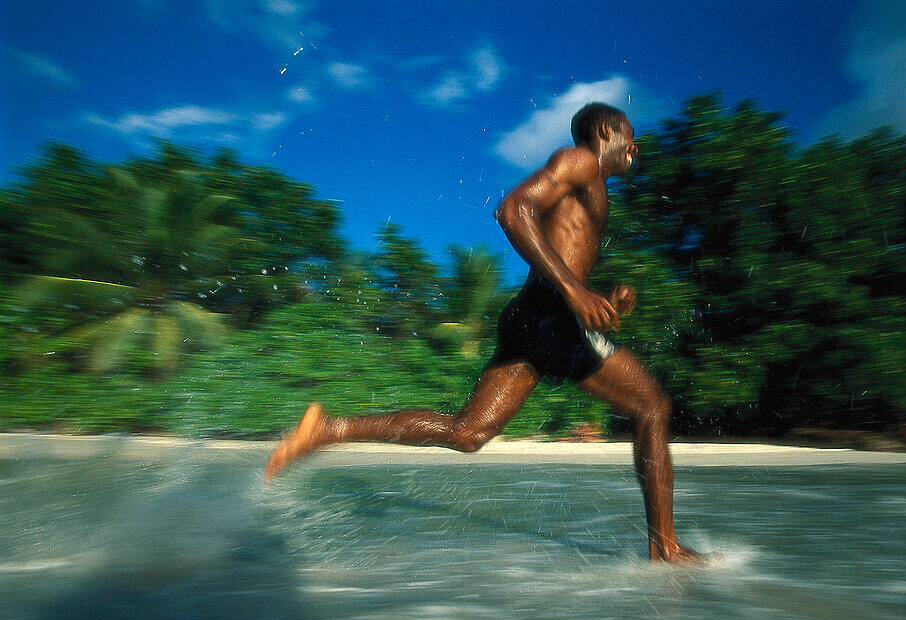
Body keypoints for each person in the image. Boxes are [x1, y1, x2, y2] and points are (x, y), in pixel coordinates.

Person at [266, 102, 701, 563]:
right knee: (652, 405)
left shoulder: (592, 185)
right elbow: (513, 210)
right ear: (607, 131)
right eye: (629, 134)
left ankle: (329, 429)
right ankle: (664, 546)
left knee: (468, 432)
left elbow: (562, 256)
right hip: (550, 315)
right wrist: (574, 292)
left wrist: (603, 297)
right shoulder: (580, 161)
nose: (635, 146)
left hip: (534, 316)